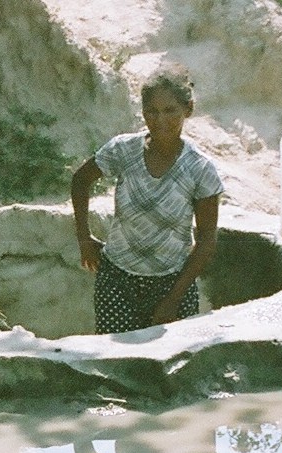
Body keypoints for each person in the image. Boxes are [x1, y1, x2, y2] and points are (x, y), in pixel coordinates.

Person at [71, 65, 223, 334]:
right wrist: (84, 237)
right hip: (116, 280)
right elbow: (81, 181)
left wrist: (172, 300)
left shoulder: (200, 169)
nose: (160, 120)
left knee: (171, 368)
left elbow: (207, 240)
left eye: (170, 111)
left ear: (188, 109)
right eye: (152, 111)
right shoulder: (123, 150)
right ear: (143, 112)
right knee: (116, 364)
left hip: (173, 283)